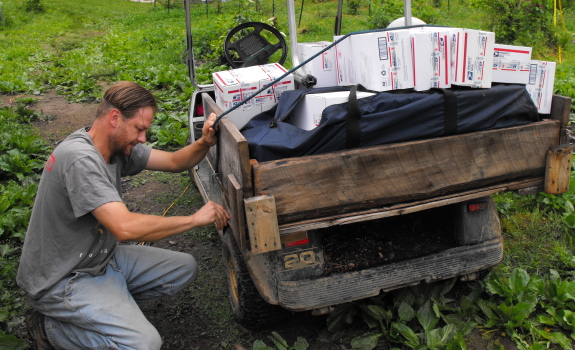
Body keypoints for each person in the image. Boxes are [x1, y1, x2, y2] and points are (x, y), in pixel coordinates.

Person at [16, 81, 230, 350]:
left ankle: (105, 305)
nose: (142, 138)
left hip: (98, 259)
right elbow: (125, 228)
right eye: (139, 129)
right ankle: (52, 329)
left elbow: (176, 162)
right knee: (144, 344)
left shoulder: (114, 148)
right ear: (115, 118)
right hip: (63, 278)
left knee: (182, 268)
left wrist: (205, 141)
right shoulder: (81, 159)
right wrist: (194, 219)